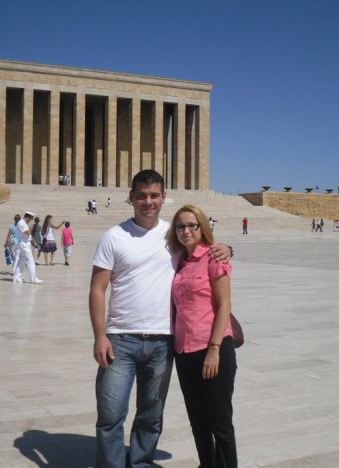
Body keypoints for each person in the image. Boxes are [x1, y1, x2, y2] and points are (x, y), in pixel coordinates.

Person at [89, 169, 232, 468]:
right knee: (111, 415)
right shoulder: (113, 236)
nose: (148, 202)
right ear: (131, 197)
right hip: (120, 340)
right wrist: (99, 336)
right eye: (141, 195)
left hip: (163, 342)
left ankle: (140, 464)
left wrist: (228, 248)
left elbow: (204, 252)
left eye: (154, 196)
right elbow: (98, 289)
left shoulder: (175, 236)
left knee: (151, 415)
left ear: (164, 198)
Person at [167, 204, 238, 468]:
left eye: (192, 225)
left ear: (202, 227)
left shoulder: (213, 258)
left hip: (213, 349)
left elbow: (225, 306)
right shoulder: (178, 260)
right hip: (184, 352)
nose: (186, 231)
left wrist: (214, 349)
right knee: (198, 422)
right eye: (181, 226)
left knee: (220, 424)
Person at [13, 212, 43, 284]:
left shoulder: (25, 224)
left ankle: (17, 278)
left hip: (26, 244)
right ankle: (33, 279)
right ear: (28, 217)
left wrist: (34, 242)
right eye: (31, 219)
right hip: (23, 244)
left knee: (22, 261)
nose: (31, 220)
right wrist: (32, 227)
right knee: (31, 261)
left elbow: (29, 236)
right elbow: (28, 233)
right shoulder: (21, 223)